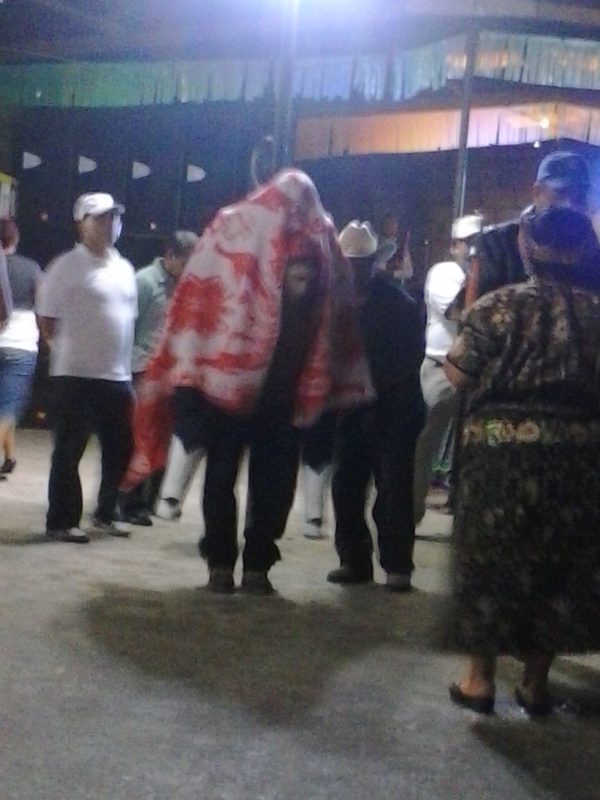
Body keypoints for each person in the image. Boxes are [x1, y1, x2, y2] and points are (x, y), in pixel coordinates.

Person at [122, 169, 373, 592]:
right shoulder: (305, 235)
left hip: (251, 390)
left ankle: (233, 564)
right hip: (254, 391)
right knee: (256, 479)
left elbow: (337, 318)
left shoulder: (248, 228)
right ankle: (242, 565)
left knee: (243, 478)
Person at [445, 206, 600, 717]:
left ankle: (479, 680)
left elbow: (459, 376)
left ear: (526, 249)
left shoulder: (496, 307)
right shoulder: (596, 312)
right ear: (581, 252)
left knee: (492, 560)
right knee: (558, 564)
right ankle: (535, 684)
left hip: (499, 456)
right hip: (578, 459)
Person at [328, 220, 425, 592]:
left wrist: (363, 386)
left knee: (393, 490)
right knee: (346, 487)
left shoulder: (399, 305)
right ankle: (354, 561)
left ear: (372, 263)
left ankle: (397, 566)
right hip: (354, 410)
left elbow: (405, 361)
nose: (353, 270)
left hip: (393, 411)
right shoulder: (338, 301)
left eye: (359, 263)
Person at [37, 192, 137, 543]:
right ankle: (61, 520)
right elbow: (46, 320)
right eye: (101, 218)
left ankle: (107, 512)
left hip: (116, 376)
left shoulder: (124, 267)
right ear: (82, 224)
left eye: (114, 218)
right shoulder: (65, 267)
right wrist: (63, 351)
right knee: (69, 450)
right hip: (75, 375)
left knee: (121, 447)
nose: (110, 224)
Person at [120, 230, 198, 526]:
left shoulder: (187, 286)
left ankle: (153, 500)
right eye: (188, 261)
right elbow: (127, 326)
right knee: (141, 436)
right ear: (171, 256)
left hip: (173, 373)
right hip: (141, 369)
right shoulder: (144, 281)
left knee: (165, 438)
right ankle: (130, 502)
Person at [455, 150, 597, 310]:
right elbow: (472, 319)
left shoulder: (592, 252)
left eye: (579, 196)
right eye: (561, 193)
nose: (570, 203)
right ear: (537, 192)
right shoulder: (496, 245)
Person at [412, 214, 482, 524]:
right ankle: (410, 514)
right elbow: (458, 312)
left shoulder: (485, 276)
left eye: (479, 243)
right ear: (454, 245)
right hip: (440, 369)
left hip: (477, 371)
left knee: (473, 448)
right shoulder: (444, 273)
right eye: (469, 243)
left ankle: (462, 510)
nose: (474, 250)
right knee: (425, 445)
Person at [0, 218, 41, 479]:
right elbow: (45, 306)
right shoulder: (31, 268)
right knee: (8, 406)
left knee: (5, 404)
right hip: (20, 344)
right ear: (15, 239)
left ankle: (10, 457)